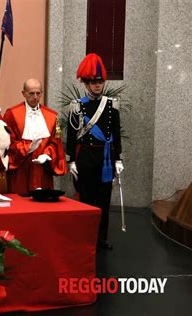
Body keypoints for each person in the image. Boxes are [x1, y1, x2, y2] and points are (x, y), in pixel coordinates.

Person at [66, 53, 124, 250]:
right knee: (86, 198)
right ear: (86, 83)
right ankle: (85, 237)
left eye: (100, 81)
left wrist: (118, 158)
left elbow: (115, 133)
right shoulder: (77, 106)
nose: (97, 85)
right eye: (93, 82)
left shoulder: (111, 105)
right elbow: (72, 136)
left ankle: (101, 238)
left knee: (104, 200)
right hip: (85, 157)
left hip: (106, 158)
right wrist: (71, 160)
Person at [4, 79, 67, 193]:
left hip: (42, 169)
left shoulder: (53, 116)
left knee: (42, 204)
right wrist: (27, 148)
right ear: (23, 93)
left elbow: (55, 141)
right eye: (31, 93)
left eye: (38, 93)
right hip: (21, 169)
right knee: (20, 203)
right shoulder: (11, 114)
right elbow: (7, 142)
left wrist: (47, 155)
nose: (35, 97)